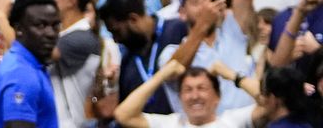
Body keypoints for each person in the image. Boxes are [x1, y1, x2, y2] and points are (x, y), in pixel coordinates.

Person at [0, 0, 61, 128]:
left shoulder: (31, 66)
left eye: (55, 26)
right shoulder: (20, 73)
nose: (51, 33)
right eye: (41, 25)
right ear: (19, 29)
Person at [113, 61, 265, 127]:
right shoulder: (169, 124)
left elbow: (268, 102)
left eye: (202, 88)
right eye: (188, 89)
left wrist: (230, 74)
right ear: (180, 97)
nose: (195, 96)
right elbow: (123, 114)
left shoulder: (232, 121)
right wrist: (162, 75)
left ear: (217, 96)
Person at [42, 0, 101, 128]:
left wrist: (2, 17)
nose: (50, 0)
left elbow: (36, 52)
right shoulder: (64, 34)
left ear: (70, 0)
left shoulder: (82, 37)